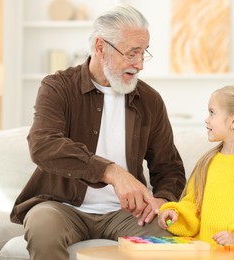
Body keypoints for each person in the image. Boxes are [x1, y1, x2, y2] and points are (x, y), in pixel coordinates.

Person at [10, 4, 186, 259]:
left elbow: (169, 166)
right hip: (61, 206)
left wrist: (162, 199)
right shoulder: (57, 87)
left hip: (128, 214)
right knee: (42, 227)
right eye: (132, 53)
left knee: (167, 239)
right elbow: (43, 144)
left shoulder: (150, 100)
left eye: (143, 53)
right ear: (101, 48)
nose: (139, 65)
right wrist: (111, 172)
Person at [158, 85, 234, 247]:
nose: (206, 119)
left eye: (212, 113)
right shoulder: (207, 162)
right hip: (209, 253)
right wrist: (176, 214)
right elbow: (193, 205)